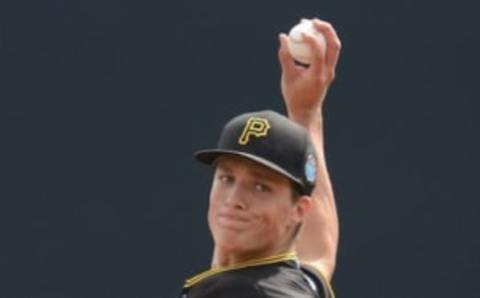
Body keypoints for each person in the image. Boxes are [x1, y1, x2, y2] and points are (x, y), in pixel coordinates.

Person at [180, 19, 341, 298]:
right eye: (227, 178)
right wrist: (306, 113)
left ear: (299, 210)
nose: (234, 199)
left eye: (260, 187)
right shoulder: (297, 281)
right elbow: (318, 254)